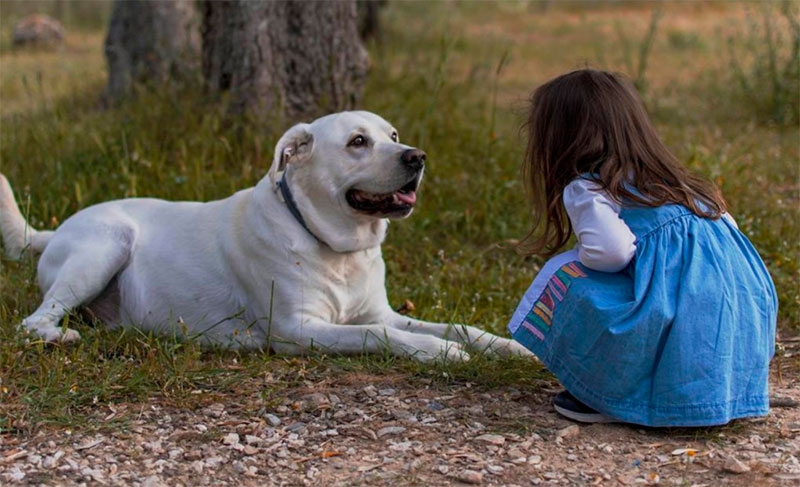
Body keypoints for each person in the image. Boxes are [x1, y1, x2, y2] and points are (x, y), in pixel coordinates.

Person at [507, 69, 777, 427]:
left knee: (567, 274)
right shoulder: (682, 184)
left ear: (560, 139)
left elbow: (612, 252)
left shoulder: (589, 187)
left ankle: (610, 395)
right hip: (742, 317)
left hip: (680, 320)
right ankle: (715, 391)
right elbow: (730, 239)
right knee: (679, 294)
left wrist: (584, 260)